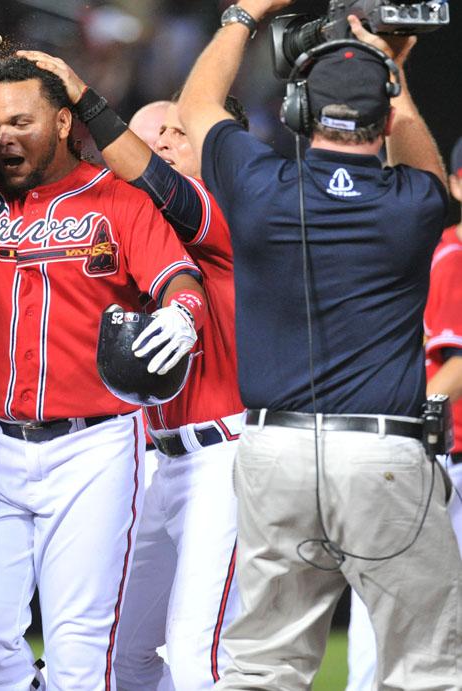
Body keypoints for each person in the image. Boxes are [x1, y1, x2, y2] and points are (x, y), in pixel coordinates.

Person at [0, 2, 208, 689]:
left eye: (21, 122)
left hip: (96, 447)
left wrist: (185, 316)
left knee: (81, 652)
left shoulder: (121, 199)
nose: (3, 138)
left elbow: (181, 281)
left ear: (65, 122)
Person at [175, 0, 462, 687]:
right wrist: (389, 67)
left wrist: (244, 13)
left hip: (275, 451)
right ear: (385, 111)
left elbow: (195, 103)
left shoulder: (259, 188)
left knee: (264, 664)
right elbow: (417, 149)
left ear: (299, 107)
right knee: (421, 665)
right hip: (381, 454)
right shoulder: (412, 205)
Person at [19, 51, 245, 690]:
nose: (165, 141)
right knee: (124, 657)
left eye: (181, 131)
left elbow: (153, 183)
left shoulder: (224, 216)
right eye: (159, 134)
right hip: (159, 461)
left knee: (201, 660)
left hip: (223, 455)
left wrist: (84, 96)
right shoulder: (143, 235)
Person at [345, 135, 462, 690]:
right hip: (442, 458)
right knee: (404, 616)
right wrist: (407, 426)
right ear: (456, 183)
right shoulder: (451, 255)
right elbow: (454, 365)